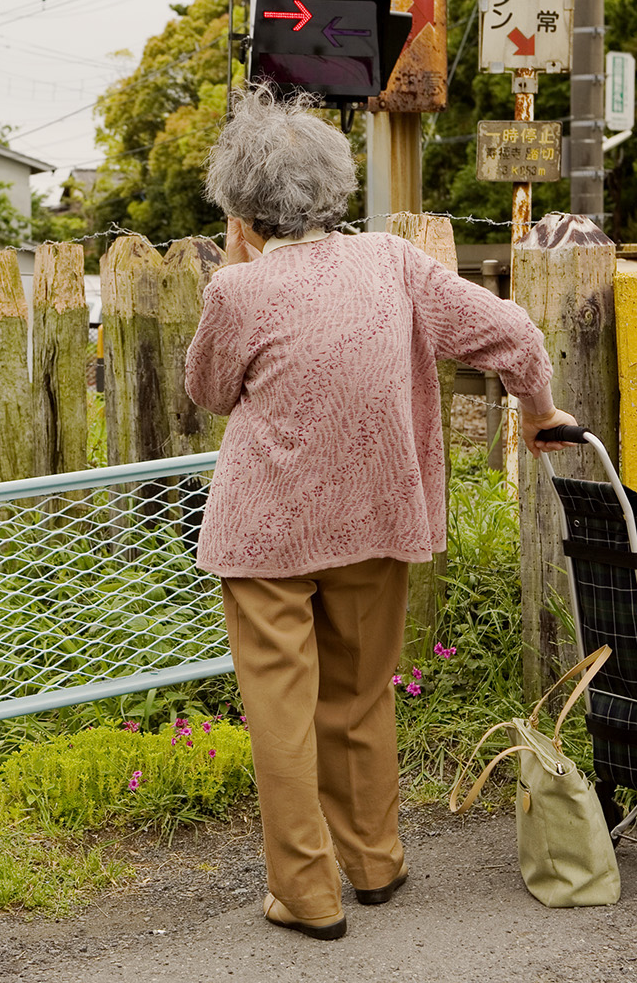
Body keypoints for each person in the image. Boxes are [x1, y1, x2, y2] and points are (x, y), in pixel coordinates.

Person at [184, 87, 576, 941]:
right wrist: (539, 411)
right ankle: (374, 861)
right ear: (334, 186)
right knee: (361, 696)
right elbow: (514, 335)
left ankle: (306, 894)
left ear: (241, 207)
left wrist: (234, 270)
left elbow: (210, 392)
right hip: (375, 518)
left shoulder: (237, 290)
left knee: (282, 713)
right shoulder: (394, 264)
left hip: (266, 535)